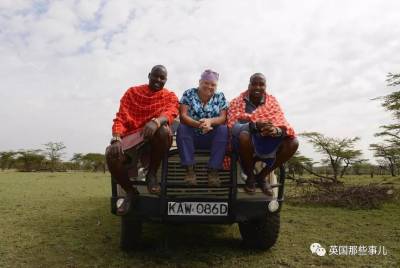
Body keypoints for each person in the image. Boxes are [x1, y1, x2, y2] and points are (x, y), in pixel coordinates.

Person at [106, 65, 179, 215]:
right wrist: (116, 138)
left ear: (166, 80)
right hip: (133, 135)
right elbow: (121, 117)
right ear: (149, 75)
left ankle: (151, 174)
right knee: (111, 154)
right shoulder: (132, 93)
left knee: (164, 132)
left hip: (155, 138)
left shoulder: (169, 96)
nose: (158, 80)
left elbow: (172, 111)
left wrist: (157, 122)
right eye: (155, 76)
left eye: (162, 78)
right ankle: (130, 192)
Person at [227, 73, 298, 195]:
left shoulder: (272, 102)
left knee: (293, 143)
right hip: (245, 145)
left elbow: (281, 122)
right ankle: (250, 176)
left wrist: (276, 130)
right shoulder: (236, 102)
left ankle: (261, 176)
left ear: (265, 86)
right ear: (249, 85)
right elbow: (232, 127)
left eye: (261, 84)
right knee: (244, 136)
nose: (258, 87)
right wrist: (254, 125)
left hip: (269, 140)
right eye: (254, 84)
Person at [177, 69, 229, 186]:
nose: (209, 86)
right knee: (182, 127)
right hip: (192, 137)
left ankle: (214, 172)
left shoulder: (220, 97)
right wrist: (199, 125)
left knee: (223, 129)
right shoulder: (189, 93)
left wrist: (210, 121)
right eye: (206, 82)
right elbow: (183, 116)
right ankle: (190, 171)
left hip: (211, 137)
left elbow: (223, 118)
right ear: (200, 82)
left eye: (213, 84)